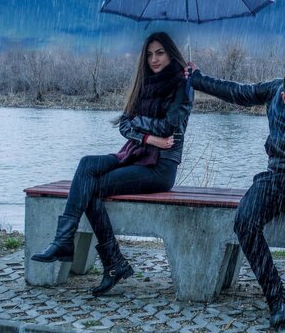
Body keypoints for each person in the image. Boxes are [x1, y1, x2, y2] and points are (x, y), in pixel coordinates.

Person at [187, 63, 285, 333]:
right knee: (245, 219)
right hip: (279, 176)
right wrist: (196, 79)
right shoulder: (274, 92)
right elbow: (237, 93)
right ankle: (277, 300)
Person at [32, 32, 192, 296]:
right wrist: (149, 136)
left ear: (171, 54)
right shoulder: (144, 83)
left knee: (91, 187)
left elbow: (169, 126)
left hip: (160, 168)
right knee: (86, 165)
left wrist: (140, 124)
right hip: (132, 154)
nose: (154, 59)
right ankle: (65, 242)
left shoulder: (183, 86)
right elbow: (125, 125)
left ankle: (111, 262)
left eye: (160, 53)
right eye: (150, 54)